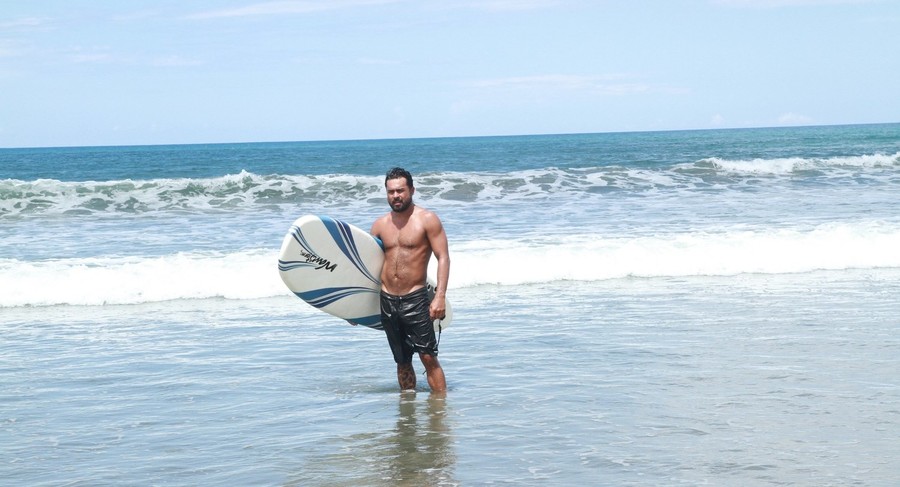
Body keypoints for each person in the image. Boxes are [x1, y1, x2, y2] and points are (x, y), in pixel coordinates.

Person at [370, 167, 450, 393]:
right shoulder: (379, 225)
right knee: (402, 359)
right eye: (391, 192)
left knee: (428, 356)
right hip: (387, 299)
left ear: (412, 190)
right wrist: (351, 307)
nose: (396, 196)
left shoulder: (427, 220)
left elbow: (443, 257)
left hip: (415, 298)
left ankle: (440, 407)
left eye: (400, 191)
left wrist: (440, 297)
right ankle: (407, 408)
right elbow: (367, 266)